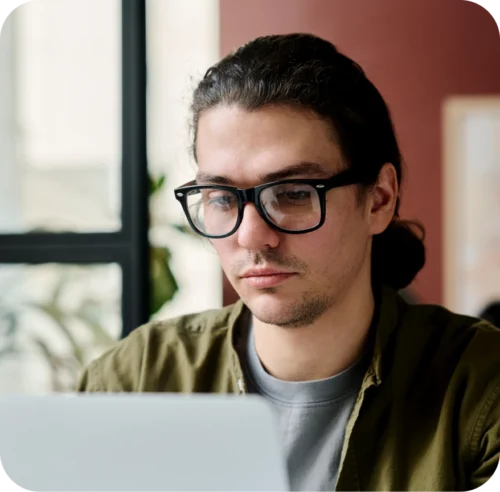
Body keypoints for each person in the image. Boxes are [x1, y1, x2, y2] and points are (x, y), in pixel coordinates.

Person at [78, 33, 500, 491]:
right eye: (221, 198)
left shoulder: (481, 387)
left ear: (379, 199)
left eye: (294, 193)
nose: (250, 235)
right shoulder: (132, 382)